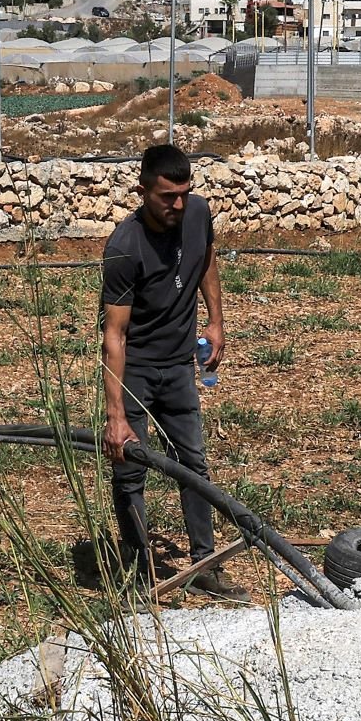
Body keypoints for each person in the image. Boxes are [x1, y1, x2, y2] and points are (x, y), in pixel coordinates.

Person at [99, 143, 245, 600]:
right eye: (167, 196)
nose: (177, 205)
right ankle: (139, 576)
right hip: (137, 371)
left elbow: (205, 260)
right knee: (130, 471)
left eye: (184, 193)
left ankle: (205, 567)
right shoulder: (124, 248)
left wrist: (216, 321)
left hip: (181, 367)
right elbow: (114, 337)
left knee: (193, 467)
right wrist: (116, 415)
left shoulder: (198, 214)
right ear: (142, 190)